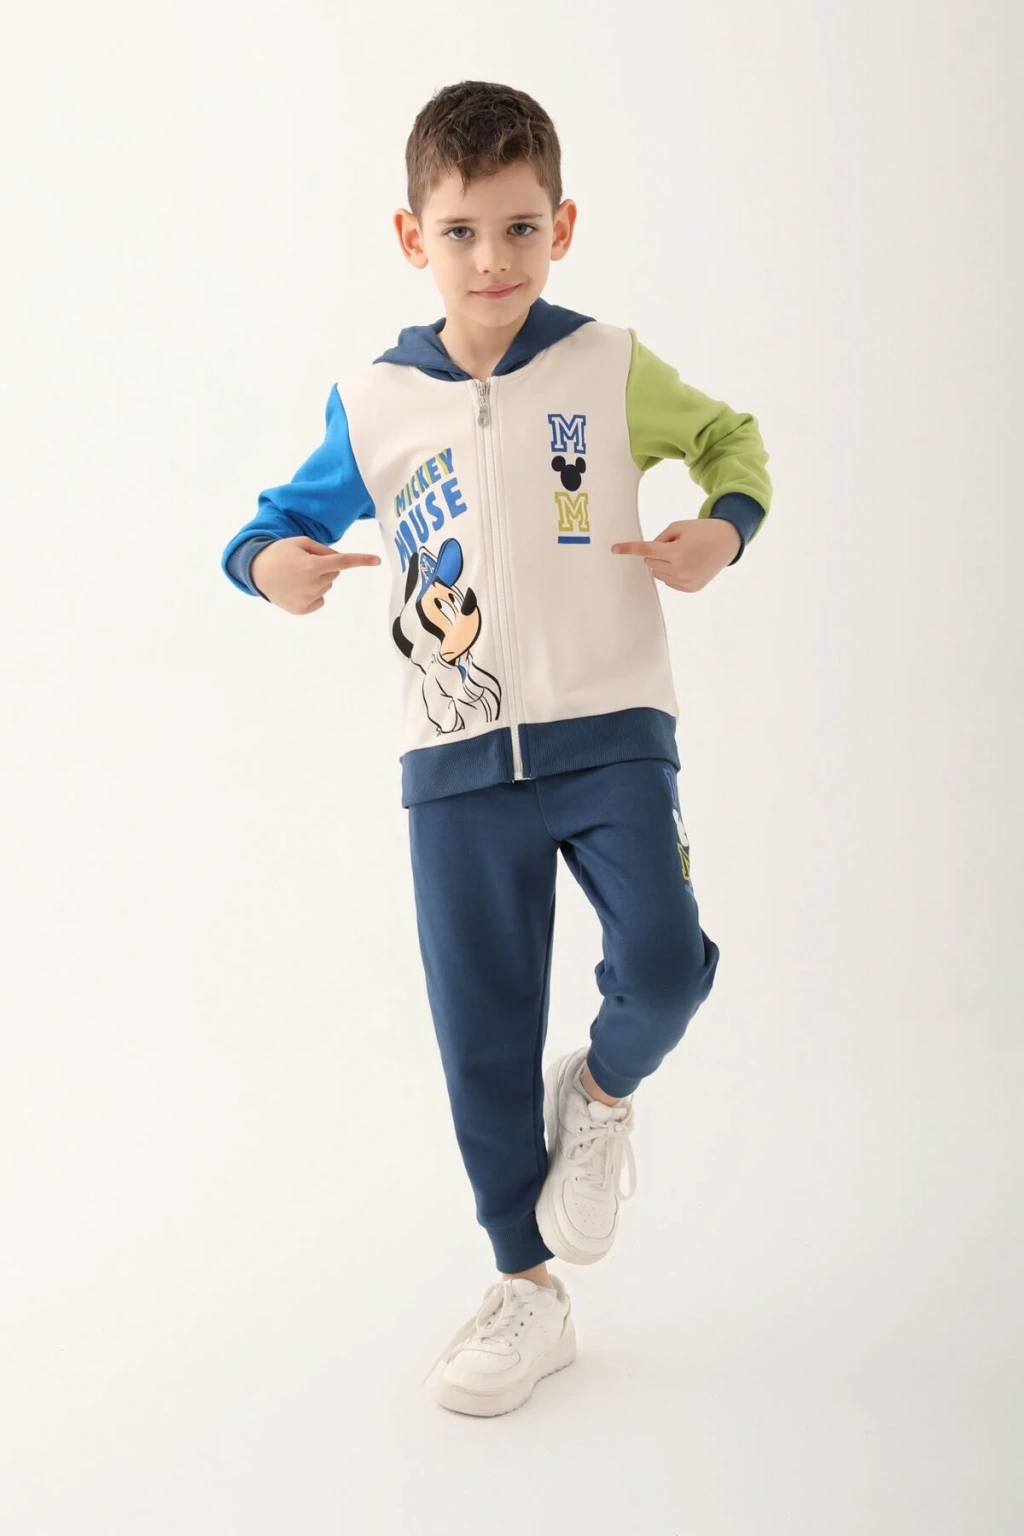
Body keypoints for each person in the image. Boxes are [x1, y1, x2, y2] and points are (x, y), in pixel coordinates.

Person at [219, 79, 773, 1419]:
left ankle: (601, 1089)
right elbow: (267, 526)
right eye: (462, 232)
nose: (492, 261)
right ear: (413, 237)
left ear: (561, 226)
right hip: (458, 768)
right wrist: (273, 568)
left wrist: (723, 527)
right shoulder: (376, 403)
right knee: (479, 1035)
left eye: (521, 228)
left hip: (612, 732)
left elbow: (730, 440)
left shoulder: (609, 365)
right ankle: (526, 1290)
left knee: (665, 964)